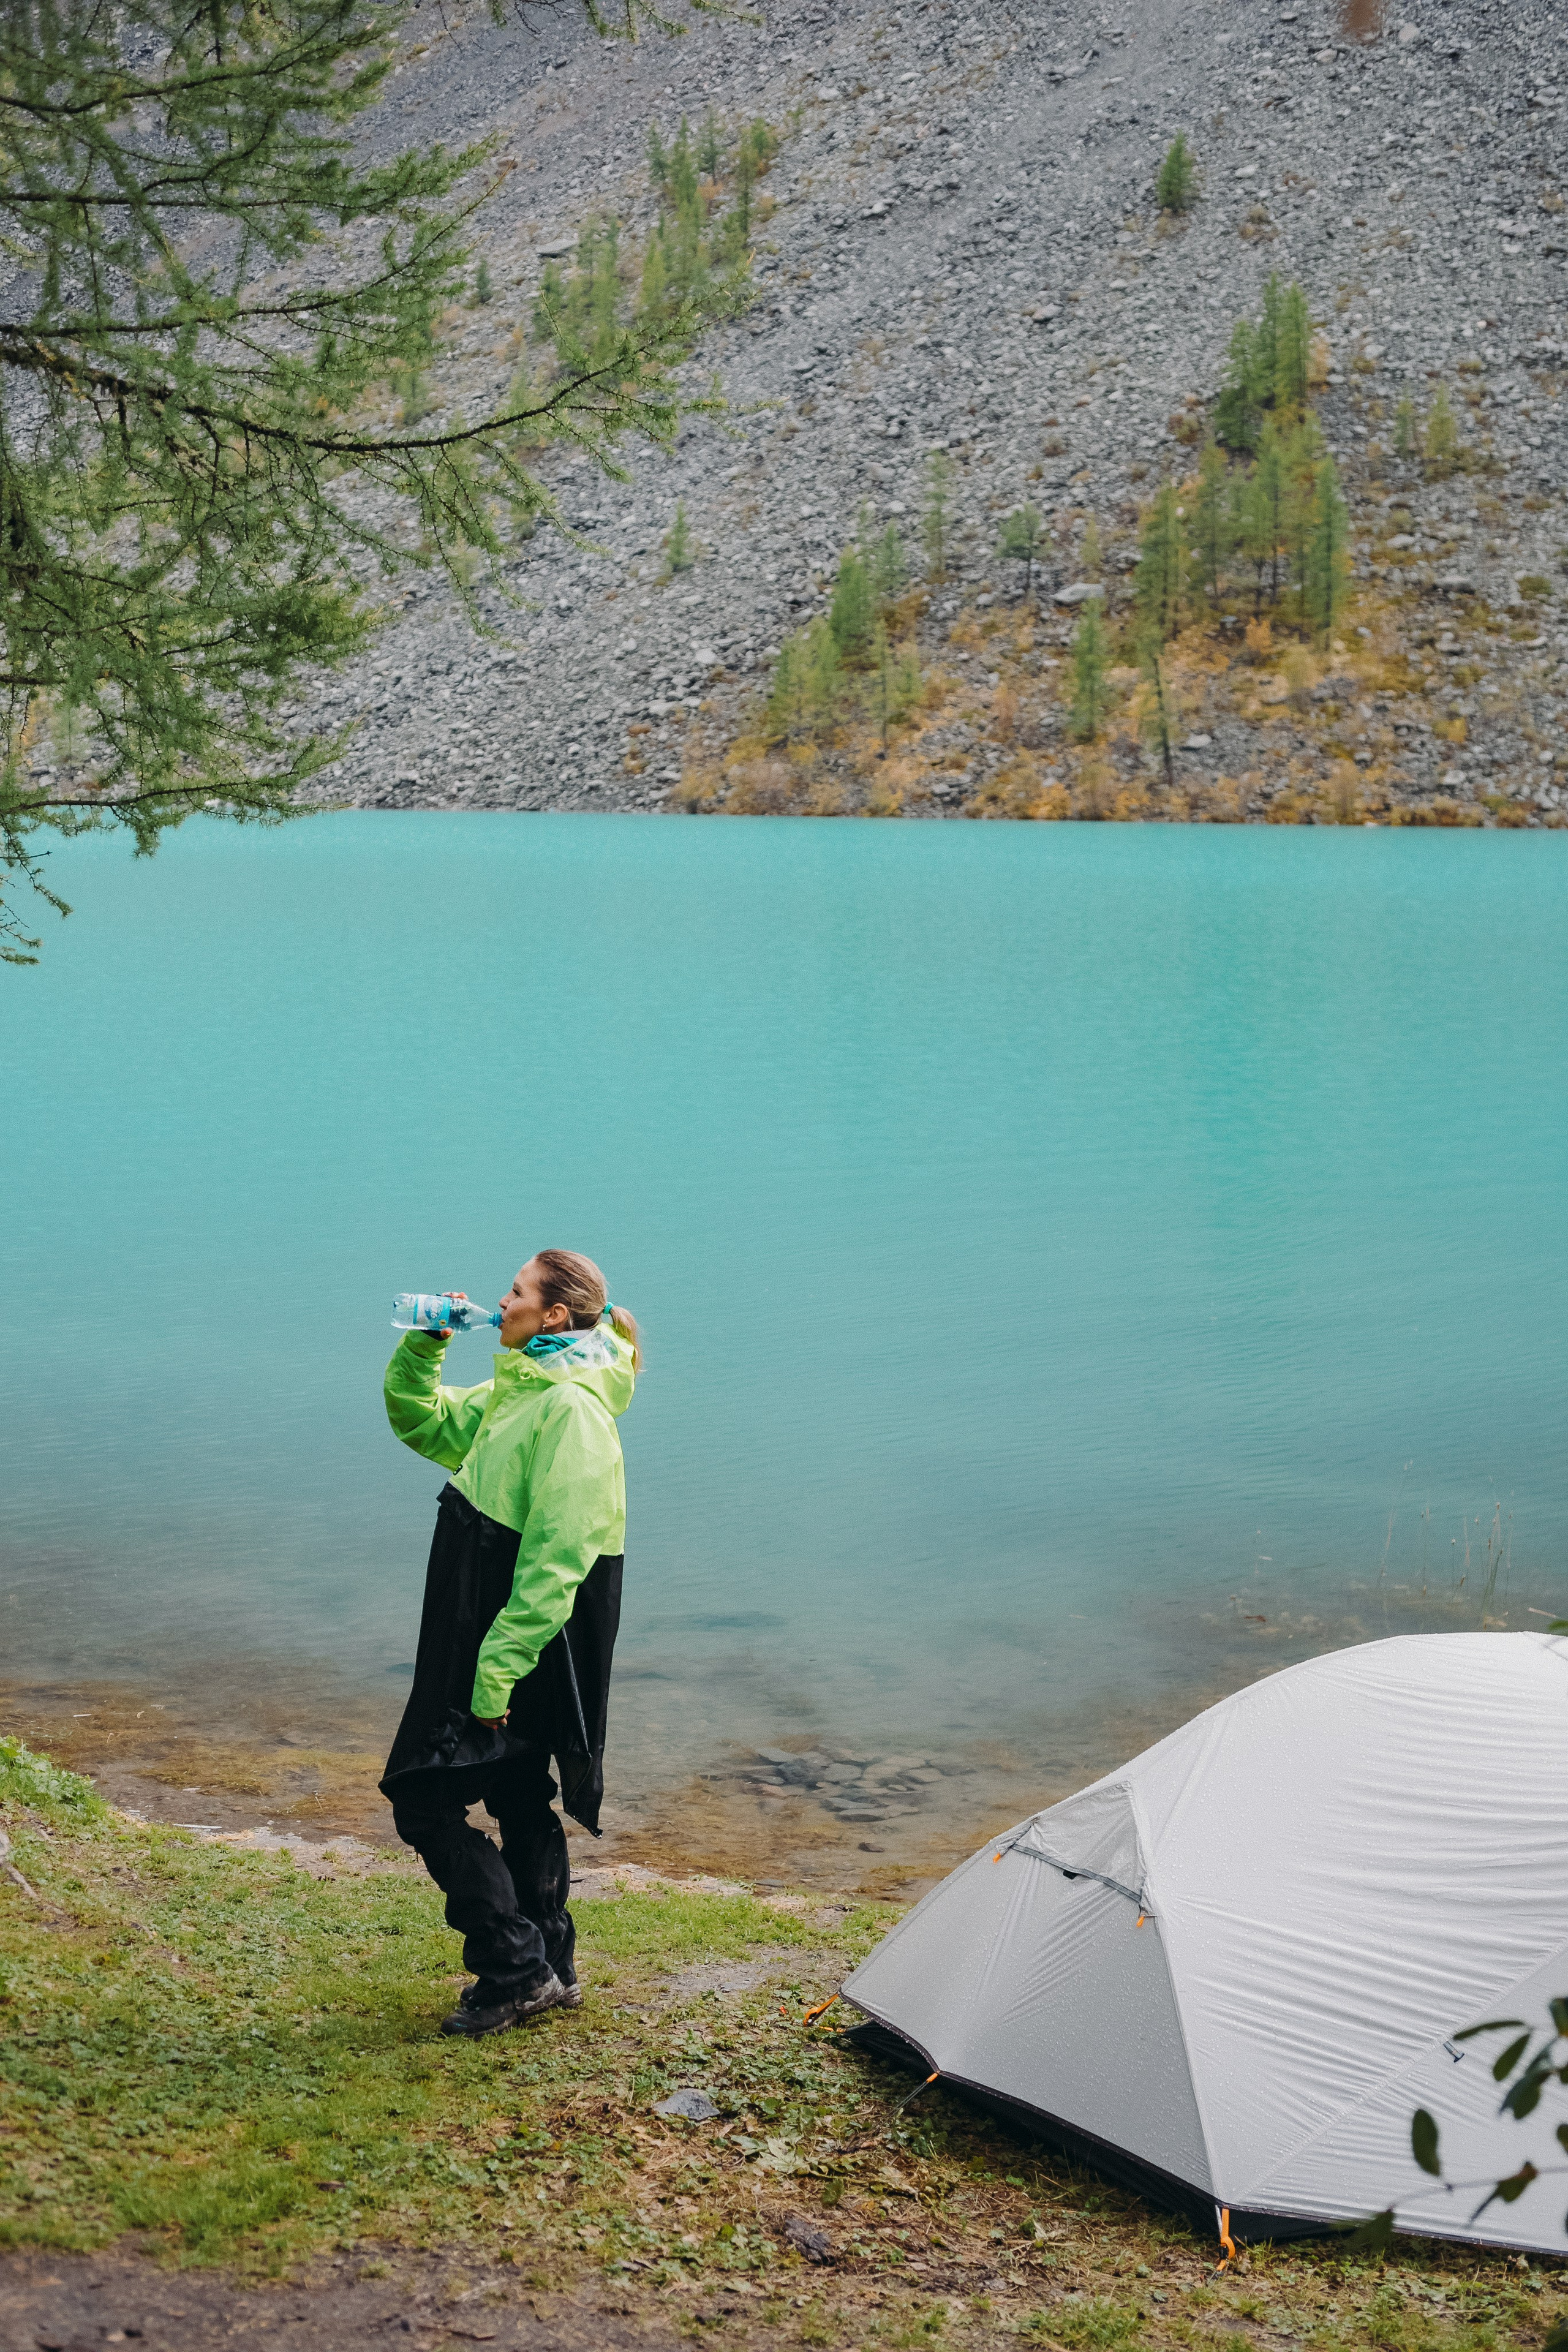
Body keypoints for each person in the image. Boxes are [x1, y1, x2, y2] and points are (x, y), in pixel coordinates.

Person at [379, 1250, 639, 2038]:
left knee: (423, 1799)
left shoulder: (572, 1414)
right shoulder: (521, 1388)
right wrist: (425, 1341)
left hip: (513, 1636)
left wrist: (496, 1670)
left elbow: (560, 1560)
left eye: (517, 1290)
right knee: (520, 1787)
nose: (502, 1299)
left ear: (556, 1316)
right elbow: (420, 1420)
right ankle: (550, 1966)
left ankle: (514, 1966)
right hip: (488, 1623)